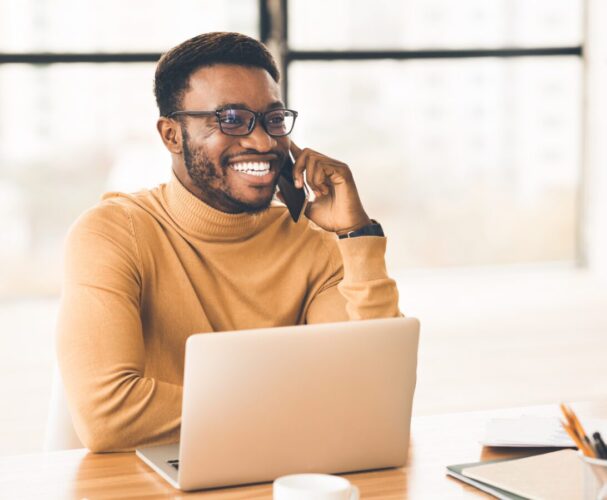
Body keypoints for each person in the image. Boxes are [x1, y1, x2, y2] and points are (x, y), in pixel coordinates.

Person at [56, 32, 401, 453]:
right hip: (147, 480)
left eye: (273, 120)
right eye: (231, 119)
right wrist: (304, 406)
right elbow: (107, 416)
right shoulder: (113, 234)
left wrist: (355, 234)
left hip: (283, 473)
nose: (262, 142)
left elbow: (376, 393)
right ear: (171, 135)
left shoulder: (314, 241)